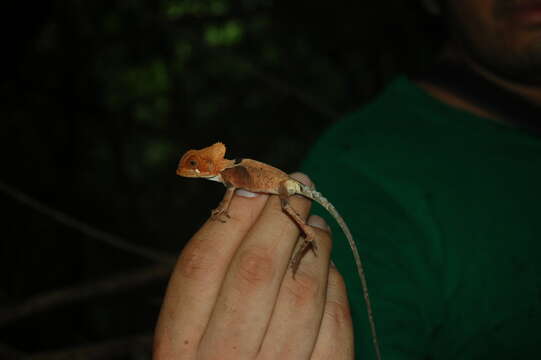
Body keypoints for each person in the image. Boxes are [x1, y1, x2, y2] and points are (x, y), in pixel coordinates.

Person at [153, 0, 541, 358]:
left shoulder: (233, 175)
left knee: (293, 210)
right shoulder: (363, 174)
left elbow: (233, 193)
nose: (190, 170)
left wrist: (235, 210)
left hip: (284, 186)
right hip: (287, 187)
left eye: (192, 165)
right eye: (192, 166)